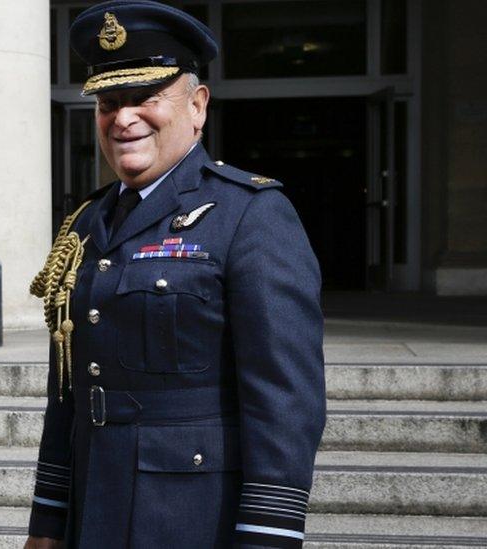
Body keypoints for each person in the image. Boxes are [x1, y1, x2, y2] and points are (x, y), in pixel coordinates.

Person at [25, 2, 326, 548]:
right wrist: (49, 518)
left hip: (190, 516)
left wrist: (268, 534)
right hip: (94, 509)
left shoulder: (250, 214)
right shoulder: (87, 223)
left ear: (197, 107)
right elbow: (68, 389)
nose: (123, 118)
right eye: (108, 103)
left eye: (145, 99)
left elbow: (283, 398)